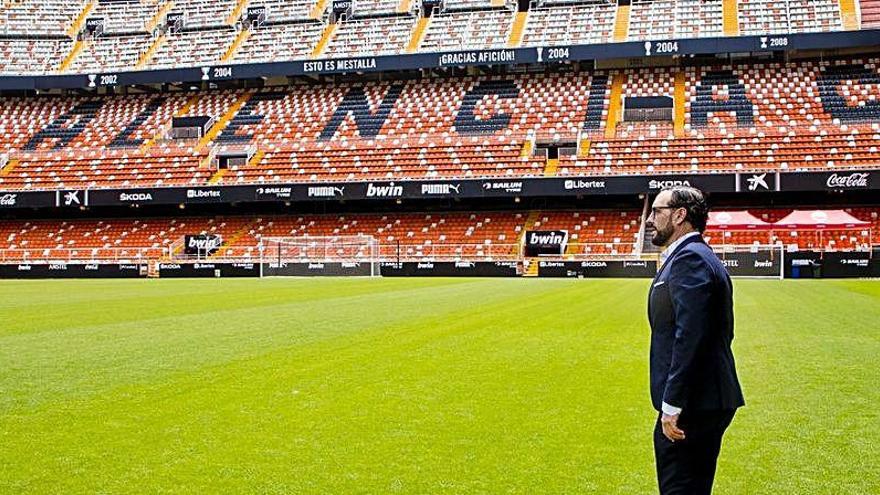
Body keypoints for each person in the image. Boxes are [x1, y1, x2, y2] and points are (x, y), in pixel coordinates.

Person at [645, 186, 745, 494]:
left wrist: (673, 404)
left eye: (657, 212)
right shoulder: (696, 256)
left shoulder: (691, 260)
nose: (650, 219)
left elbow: (691, 336)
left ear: (679, 215)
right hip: (701, 400)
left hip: (693, 404)